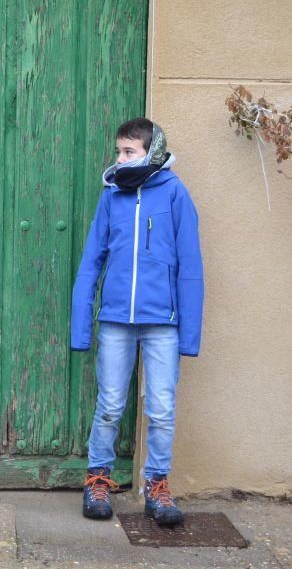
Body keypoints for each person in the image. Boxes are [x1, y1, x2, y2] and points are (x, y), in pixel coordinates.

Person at [70, 118, 203, 526]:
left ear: (153, 150)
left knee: (161, 409)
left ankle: (157, 488)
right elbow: (92, 259)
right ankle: (97, 480)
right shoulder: (112, 195)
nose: (120, 158)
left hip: (162, 321)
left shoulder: (175, 193)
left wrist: (190, 334)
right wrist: (80, 325)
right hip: (115, 320)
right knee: (110, 405)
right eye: (119, 151)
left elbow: (190, 265)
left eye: (129, 151)